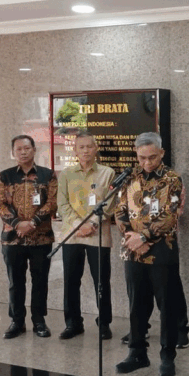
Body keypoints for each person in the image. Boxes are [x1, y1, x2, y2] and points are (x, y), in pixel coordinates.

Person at [115, 132, 185, 376]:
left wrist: (143, 237)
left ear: (162, 153)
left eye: (152, 157)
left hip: (162, 251)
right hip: (133, 252)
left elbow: (170, 215)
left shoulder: (172, 179)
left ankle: (167, 355)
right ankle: (137, 354)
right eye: (142, 157)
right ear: (136, 154)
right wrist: (132, 238)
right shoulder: (128, 177)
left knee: (167, 305)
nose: (147, 162)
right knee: (136, 304)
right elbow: (120, 210)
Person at [0, 134, 58, 339]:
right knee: (16, 282)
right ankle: (17, 321)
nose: (23, 152)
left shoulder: (48, 175)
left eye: (27, 148)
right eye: (19, 149)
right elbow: (0, 204)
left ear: (34, 150)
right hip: (13, 239)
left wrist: (32, 223)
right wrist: (17, 224)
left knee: (40, 281)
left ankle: (39, 321)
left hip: (41, 238)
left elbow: (52, 203)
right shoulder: (4, 176)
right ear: (13, 153)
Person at [57, 132, 115, 340]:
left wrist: (92, 224)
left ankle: (104, 323)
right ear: (75, 150)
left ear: (96, 148)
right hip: (72, 235)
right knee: (71, 281)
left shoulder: (108, 173)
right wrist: (78, 225)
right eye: (81, 147)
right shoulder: (66, 174)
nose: (85, 150)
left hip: (98, 234)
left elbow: (110, 203)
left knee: (102, 281)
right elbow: (62, 204)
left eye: (89, 146)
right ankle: (73, 323)